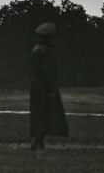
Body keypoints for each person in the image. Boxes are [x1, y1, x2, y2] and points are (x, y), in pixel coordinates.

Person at [29, 22, 68, 150]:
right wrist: (51, 88)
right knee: (46, 112)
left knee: (38, 112)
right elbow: (49, 71)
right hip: (44, 85)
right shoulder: (46, 51)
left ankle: (37, 139)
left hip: (36, 85)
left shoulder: (35, 49)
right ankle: (39, 139)